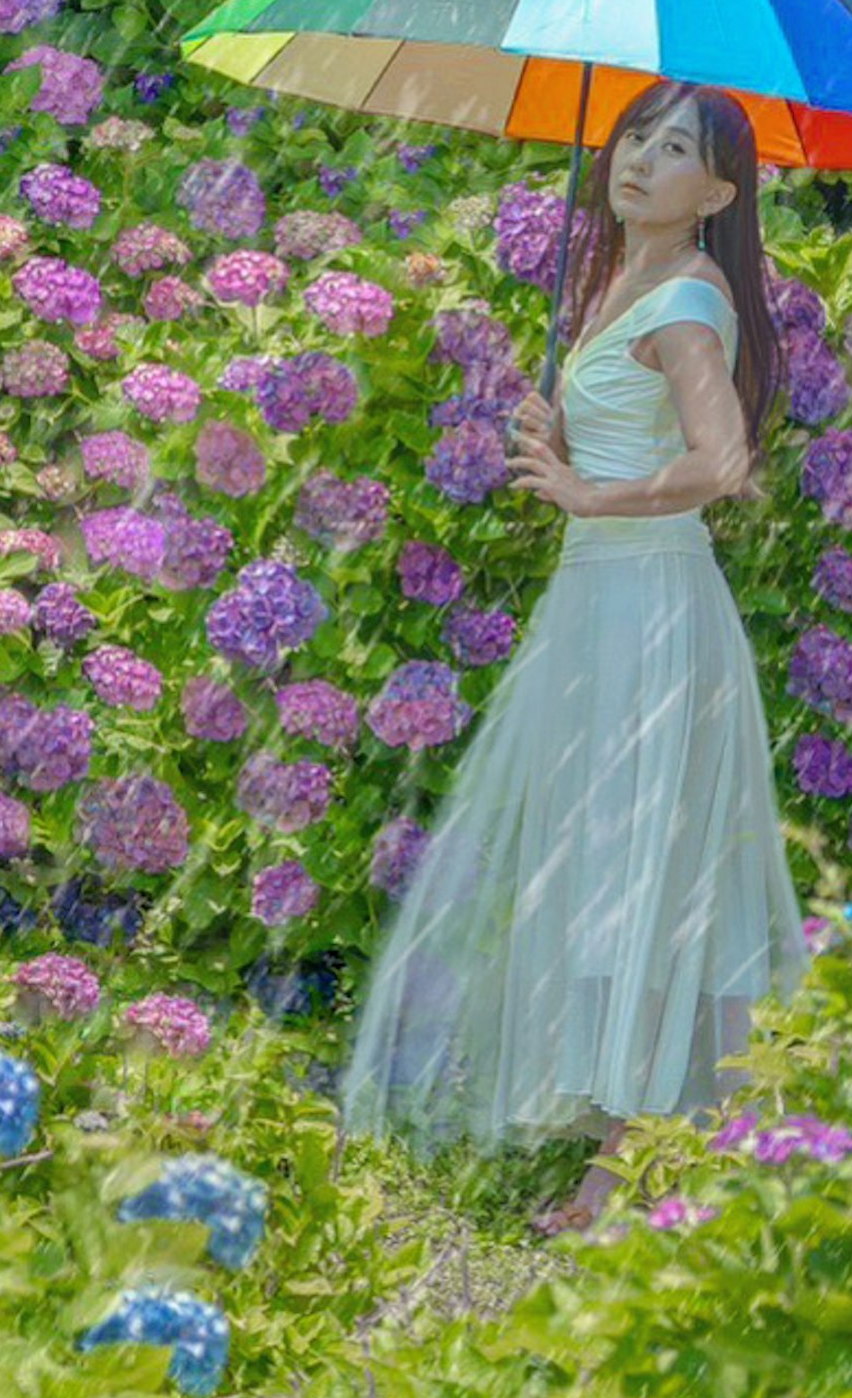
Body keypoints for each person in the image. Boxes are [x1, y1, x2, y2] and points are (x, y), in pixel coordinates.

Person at [341, 77, 805, 1218]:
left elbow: (723, 463)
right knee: (597, 858)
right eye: (636, 135)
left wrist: (590, 493)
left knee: (646, 860)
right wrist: (564, 430)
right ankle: (623, 1118)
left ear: (721, 190)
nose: (641, 159)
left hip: (651, 605)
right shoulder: (620, 285)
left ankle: (625, 1159)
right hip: (596, 606)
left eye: (677, 148)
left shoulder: (690, 298)